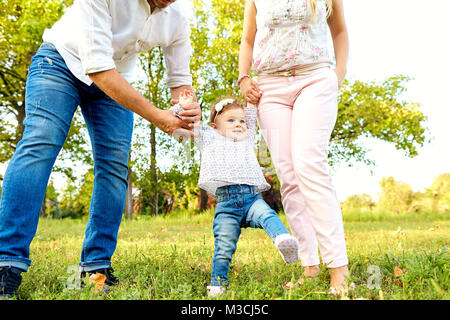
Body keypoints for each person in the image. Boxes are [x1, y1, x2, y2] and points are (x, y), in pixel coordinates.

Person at [0, 0, 201, 299]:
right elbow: (97, 68)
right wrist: (160, 118)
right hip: (60, 62)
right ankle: (7, 262)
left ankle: (96, 267)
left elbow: (180, 80)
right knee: (41, 141)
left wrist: (186, 106)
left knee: (115, 165)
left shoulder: (178, 17)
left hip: (115, 80)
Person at [238, 0, 350, 294]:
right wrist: (243, 77)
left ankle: (339, 268)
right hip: (269, 88)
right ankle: (310, 266)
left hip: (314, 79)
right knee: (288, 176)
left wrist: (337, 74)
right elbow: (248, 38)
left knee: (309, 166)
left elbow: (339, 31)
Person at [173, 91, 299, 297]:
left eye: (241, 121)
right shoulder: (208, 137)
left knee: (268, 215)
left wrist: (249, 91)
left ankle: (283, 240)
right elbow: (184, 124)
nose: (239, 124)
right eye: (231, 120)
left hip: (251, 198)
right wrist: (184, 106)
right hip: (226, 205)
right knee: (223, 246)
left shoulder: (247, 137)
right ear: (215, 127)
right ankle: (217, 285)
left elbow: (251, 111)